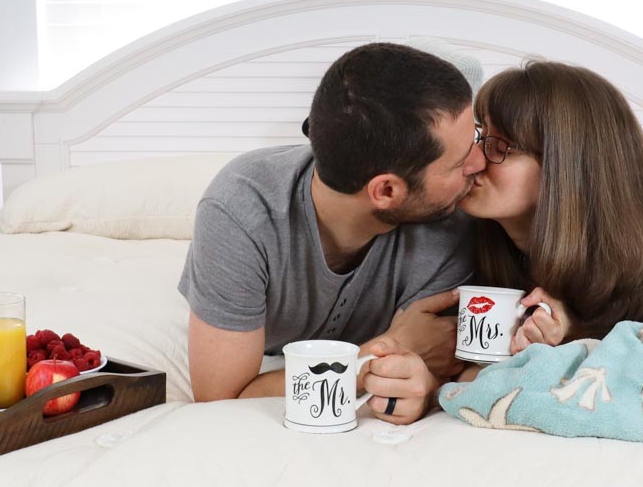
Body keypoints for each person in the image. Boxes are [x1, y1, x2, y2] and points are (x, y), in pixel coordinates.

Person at [179, 42, 488, 423]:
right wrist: (371, 358)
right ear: (387, 191)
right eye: (459, 161)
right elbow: (220, 397)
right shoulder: (242, 206)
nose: (481, 162)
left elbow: (431, 365)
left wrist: (416, 384)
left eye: (474, 135)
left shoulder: (450, 224)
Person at [457, 60, 643, 356]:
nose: (472, 159)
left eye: (501, 147)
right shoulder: (455, 240)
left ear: (567, 169)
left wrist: (573, 339)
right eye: (480, 136)